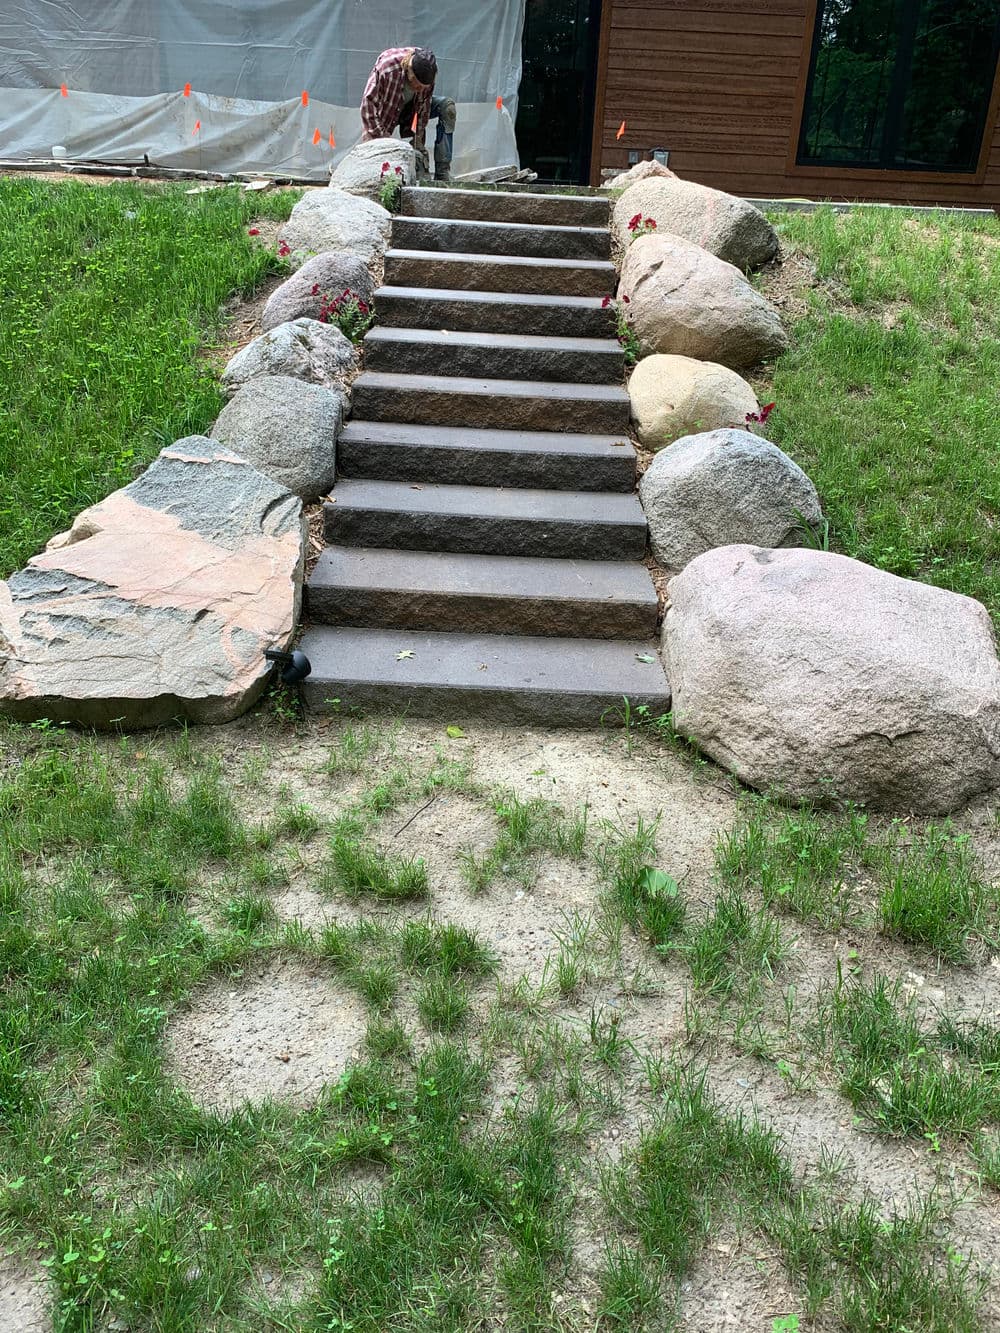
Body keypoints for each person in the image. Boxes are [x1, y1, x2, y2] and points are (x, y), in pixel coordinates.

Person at [359, 46, 456, 182]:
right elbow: (367, 104)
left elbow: (424, 107)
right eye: (416, 85)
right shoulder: (387, 68)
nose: (419, 89)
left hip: (411, 111)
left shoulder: (429, 70)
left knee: (447, 107)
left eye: (423, 88)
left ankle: (443, 172)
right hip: (385, 113)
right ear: (409, 69)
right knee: (375, 170)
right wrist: (383, 141)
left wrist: (418, 142)